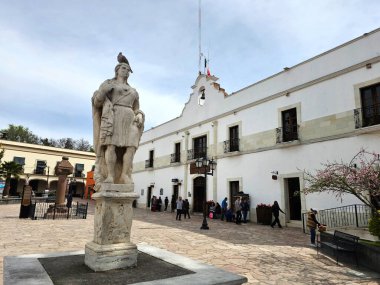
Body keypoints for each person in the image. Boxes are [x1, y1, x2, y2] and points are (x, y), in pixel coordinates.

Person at [92, 57, 145, 186]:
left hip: (130, 118)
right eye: (123, 68)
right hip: (113, 116)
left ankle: (124, 175)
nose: (126, 71)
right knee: (111, 146)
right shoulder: (109, 84)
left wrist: (139, 115)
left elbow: (136, 108)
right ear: (117, 70)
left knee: (131, 147)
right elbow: (97, 102)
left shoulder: (134, 91)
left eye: (128, 70)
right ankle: (110, 175)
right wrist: (103, 91)